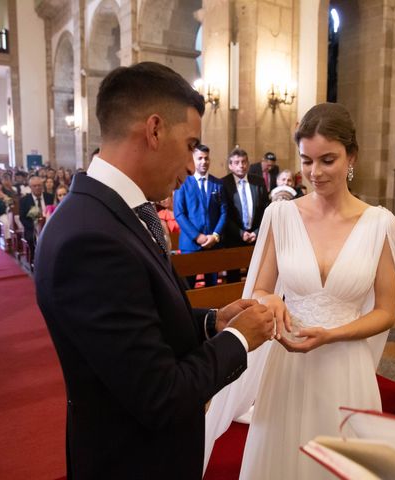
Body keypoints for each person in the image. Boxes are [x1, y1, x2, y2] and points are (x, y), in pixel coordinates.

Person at [34, 61, 275, 479]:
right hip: (132, 460)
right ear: (155, 130)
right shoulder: (90, 239)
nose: (192, 161)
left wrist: (213, 322)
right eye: (191, 144)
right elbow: (160, 393)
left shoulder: (117, 212)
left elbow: (143, 319)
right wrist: (240, 339)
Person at [205, 102, 395, 479]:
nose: (315, 172)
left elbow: (385, 312)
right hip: (289, 362)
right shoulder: (281, 215)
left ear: (351, 156)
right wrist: (271, 300)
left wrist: (331, 335)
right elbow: (260, 288)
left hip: (346, 366)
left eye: (328, 160)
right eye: (307, 161)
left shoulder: (378, 224)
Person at [174, 144, 227, 286]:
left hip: (212, 244)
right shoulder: (184, 182)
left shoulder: (218, 184)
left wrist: (215, 235)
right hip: (190, 245)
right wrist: (197, 236)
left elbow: (223, 212)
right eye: (200, 158)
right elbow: (179, 213)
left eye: (206, 158)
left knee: (212, 286)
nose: (204, 162)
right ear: (193, 160)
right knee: (187, 286)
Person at [222, 148, 269, 282]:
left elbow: (266, 209)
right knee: (233, 278)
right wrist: (240, 233)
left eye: (244, 162)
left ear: (248, 164)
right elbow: (225, 213)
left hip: (255, 237)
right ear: (230, 165)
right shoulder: (223, 183)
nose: (241, 165)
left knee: (255, 277)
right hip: (233, 238)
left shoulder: (258, 182)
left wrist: (257, 232)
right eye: (236, 162)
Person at [19, 176, 53, 259]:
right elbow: (23, 218)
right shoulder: (24, 200)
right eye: (34, 186)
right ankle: (36, 260)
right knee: (33, 238)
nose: (37, 187)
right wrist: (35, 227)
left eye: (39, 185)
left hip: (49, 227)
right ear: (30, 187)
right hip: (32, 229)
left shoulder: (50, 197)